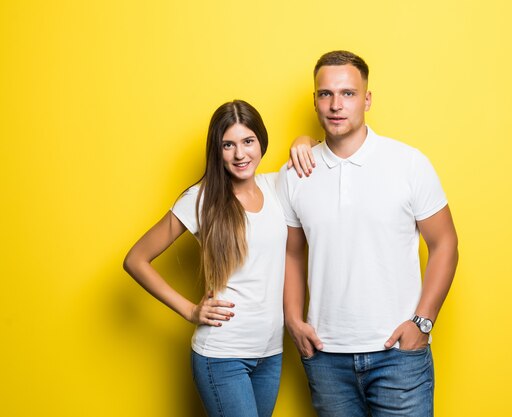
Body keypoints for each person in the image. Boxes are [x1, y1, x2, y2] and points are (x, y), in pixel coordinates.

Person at [277, 51, 459, 417]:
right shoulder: (295, 173)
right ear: (314, 101)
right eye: (326, 94)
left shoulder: (408, 164)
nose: (336, 105)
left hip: (399, 356)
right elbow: (292, 254)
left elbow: (445, 243)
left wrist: (422, 323)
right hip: (326, 357)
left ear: (367, 99)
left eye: (348, 93)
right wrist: (294, 322)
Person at [123, 99, 314, 417]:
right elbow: (136, 259)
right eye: (229, 144)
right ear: (217, 149)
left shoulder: (276, 186)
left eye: (248, 141)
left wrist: (302, 140)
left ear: (261, 141)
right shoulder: (201, 199)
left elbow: (318, 151)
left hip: (270, 354)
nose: (240, 154)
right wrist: (189, 310)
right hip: (222, 356)